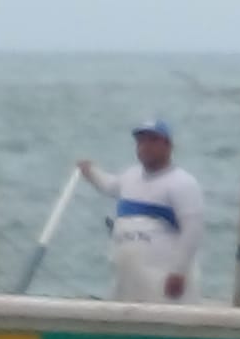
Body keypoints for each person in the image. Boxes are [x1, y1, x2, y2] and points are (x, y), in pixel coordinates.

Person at [78, 119, 206, 303]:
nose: (145, 147)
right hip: (129, 281)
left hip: (163, 281)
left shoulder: (183, 183)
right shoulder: (130, 176)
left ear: (168, 145)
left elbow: (193, 231)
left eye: (153, 141)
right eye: (141, 141)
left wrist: (178, 272)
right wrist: (90, 171)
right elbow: (109, 185)